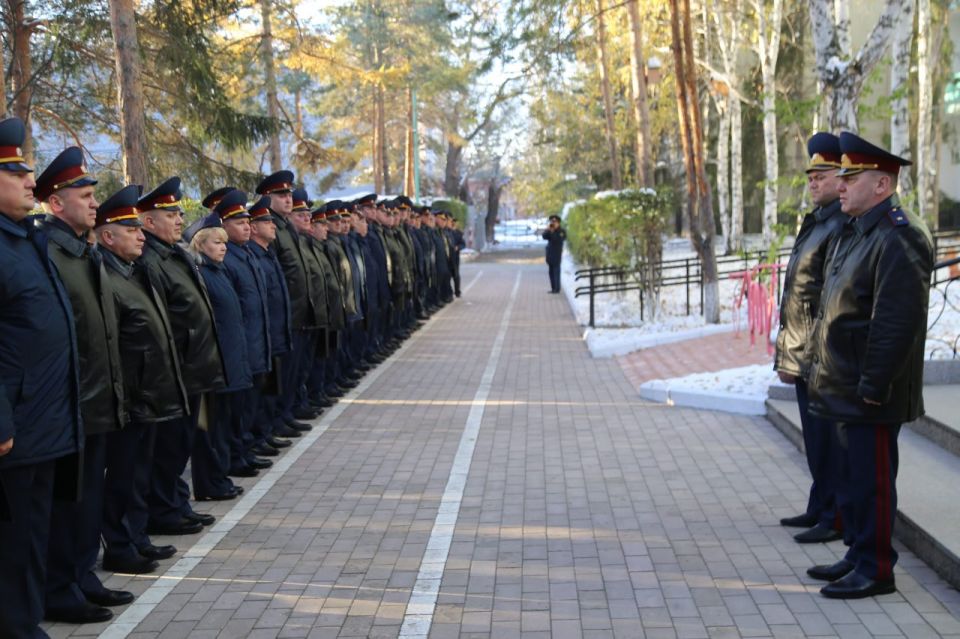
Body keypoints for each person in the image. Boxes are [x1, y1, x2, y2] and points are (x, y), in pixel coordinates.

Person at [805, 132, 934, 599]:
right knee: (855, 481)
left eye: (852, 176)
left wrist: (873, 383)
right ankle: (858, 552)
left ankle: (877, 567)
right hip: (847, 382)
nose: (841, 184)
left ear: (882, 185)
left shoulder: (899, 236)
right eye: (840, 176)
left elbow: (895, 322)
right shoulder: (859, 229)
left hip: (870, 389)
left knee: (873, 483)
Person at [35, 148, 131, 624]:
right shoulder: (51, 253)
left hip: (97, 398)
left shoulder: (83, 251)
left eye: (94, 196)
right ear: (56, 204)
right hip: (70, 402)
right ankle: (61, 588)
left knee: (89, 497)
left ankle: (81, 577)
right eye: (86, 196)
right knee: (68, 505)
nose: (95, 204)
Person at [0, 116, 82, 638]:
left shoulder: (23, 240)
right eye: (15, 174)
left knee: (33, 533)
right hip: (15, 427)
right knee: (13, 540)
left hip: (45, 417)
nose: (31, 180)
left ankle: (26, 621)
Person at [97, 185, 189, 575]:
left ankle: (135, 538)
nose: (140, 236)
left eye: (139, 228)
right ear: (108, 236)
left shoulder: (132, 271)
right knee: (122, 475)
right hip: (130, 393)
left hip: (149, 389)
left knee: (137, 470)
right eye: (131, 229)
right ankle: (120, 545)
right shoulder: (107, 274)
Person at [138, 177, 225, 532]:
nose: (178, 219)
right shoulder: (151, 260)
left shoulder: (174, 254)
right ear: (148, 222)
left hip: (191, 368)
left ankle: (176, 502)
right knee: (169, 448)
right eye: (169, 213)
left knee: (180, 445)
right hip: (174, 370)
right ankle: (164, 511)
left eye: (177, 212)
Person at [773, 133, 846, 545]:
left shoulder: (838, 224)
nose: (813, 182)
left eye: (822, 175)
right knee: (815, 440)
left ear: (842, 178)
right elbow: (798, 295)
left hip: (820, 357)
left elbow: (825, 300)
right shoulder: (818, 221)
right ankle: (820, 505)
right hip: (804, 354)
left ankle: (833, 514)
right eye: (811, 176)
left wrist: (806, 356)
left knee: (826, 442)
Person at [188, 216, 254, 498]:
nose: (223, 248)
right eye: (217, 242)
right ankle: (209, 483)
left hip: (231, 359)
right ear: (201, 244)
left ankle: (220, 477)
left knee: (225, 425)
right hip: (217, 363)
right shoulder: (202, 274)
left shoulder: (220, 272)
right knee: (212, 430)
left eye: (224, 243)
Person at [245, 196, 294, 454]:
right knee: (261, 392)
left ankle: (269, 429)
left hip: (275, 331)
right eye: (266, 221)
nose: (272, 225)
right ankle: (260, 435)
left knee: (274, 386)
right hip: (264, 335)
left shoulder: (266, 254)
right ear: (254, 227)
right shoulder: (253, 255)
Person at [542, 214, 565, 293]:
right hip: (550, 254)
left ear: (558, 223)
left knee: (556, 271)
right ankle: (553, 288)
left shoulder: (561, 231)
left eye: (554, 222)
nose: (553, 223)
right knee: (551, 272)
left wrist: (552, 232)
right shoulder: (550, 230)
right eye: (552, 221)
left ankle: (557, 288)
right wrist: (547, 230)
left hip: (557, 254)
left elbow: (557, 240)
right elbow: (544, 236)